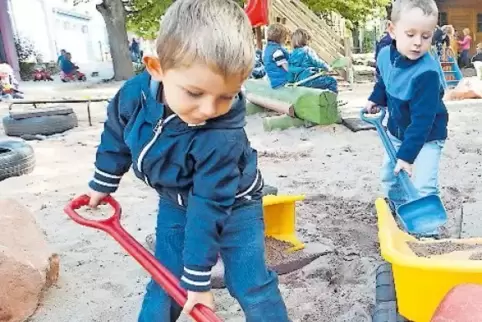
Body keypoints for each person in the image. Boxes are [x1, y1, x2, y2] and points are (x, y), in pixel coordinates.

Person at [85, 0, 289, 321]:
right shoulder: (133, 96)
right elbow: (116, 132)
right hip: (174, 200)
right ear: (157, 68)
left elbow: (208, 204)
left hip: (235, 205)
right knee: (165, 279)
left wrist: (198, 279)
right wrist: (103, 181)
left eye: (226, 96)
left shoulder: (221, 135)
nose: (209, 109)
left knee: (251, 283)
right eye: (195, 93)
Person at [364, 0, 448, 212]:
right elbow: (385, 79)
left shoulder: (426, 73)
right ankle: (399, 206)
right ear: (392, 30)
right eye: (410, 35)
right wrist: (376, 98)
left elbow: (422, 121)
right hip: (396, 130)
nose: (418, 42)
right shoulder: (385, 55)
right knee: (390, 176)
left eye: (426, 36)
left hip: (428, 134)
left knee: (423, 185)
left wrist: (406, 156)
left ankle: (428, 233)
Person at [287, 28, 337, 93]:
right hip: (310, 79)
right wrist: (327, 67)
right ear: (306, 40)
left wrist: (291, 81)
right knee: (331, 81)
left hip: (300, 82)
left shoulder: (291, 54)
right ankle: (332, 100)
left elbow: (290, 69)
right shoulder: (307, 50)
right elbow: (316, 61)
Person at [263, 23, 290, 89]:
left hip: (273, 79)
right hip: (281, 81)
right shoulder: (277, 51)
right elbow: (285, 66)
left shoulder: (267, 49)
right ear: (281, 38)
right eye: (285, 36)